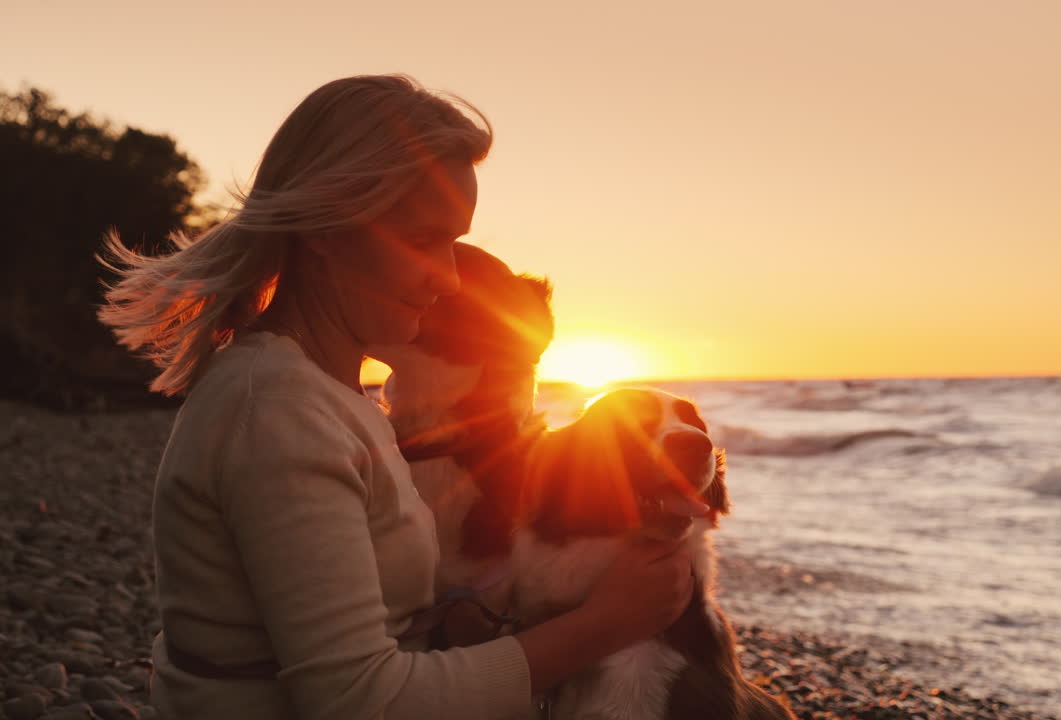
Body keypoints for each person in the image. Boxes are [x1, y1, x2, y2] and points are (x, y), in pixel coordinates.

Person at [98, 74, 693, 720]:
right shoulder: (273, 412)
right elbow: (358, 700)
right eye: (420, 241)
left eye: (455, 241)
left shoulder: (328, 395)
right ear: (325, 227)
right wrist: (602, 626)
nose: (448, 276)